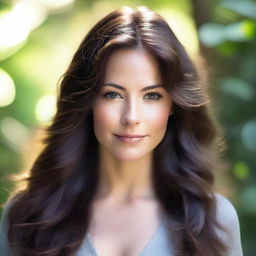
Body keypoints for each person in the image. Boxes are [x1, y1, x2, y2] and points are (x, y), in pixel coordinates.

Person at [0, 5, 243, 256]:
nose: (131, 117)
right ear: (88, 101)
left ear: (173, 104)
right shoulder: (28, 214)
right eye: (113, 94)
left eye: (151, 95)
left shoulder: (215, 220)